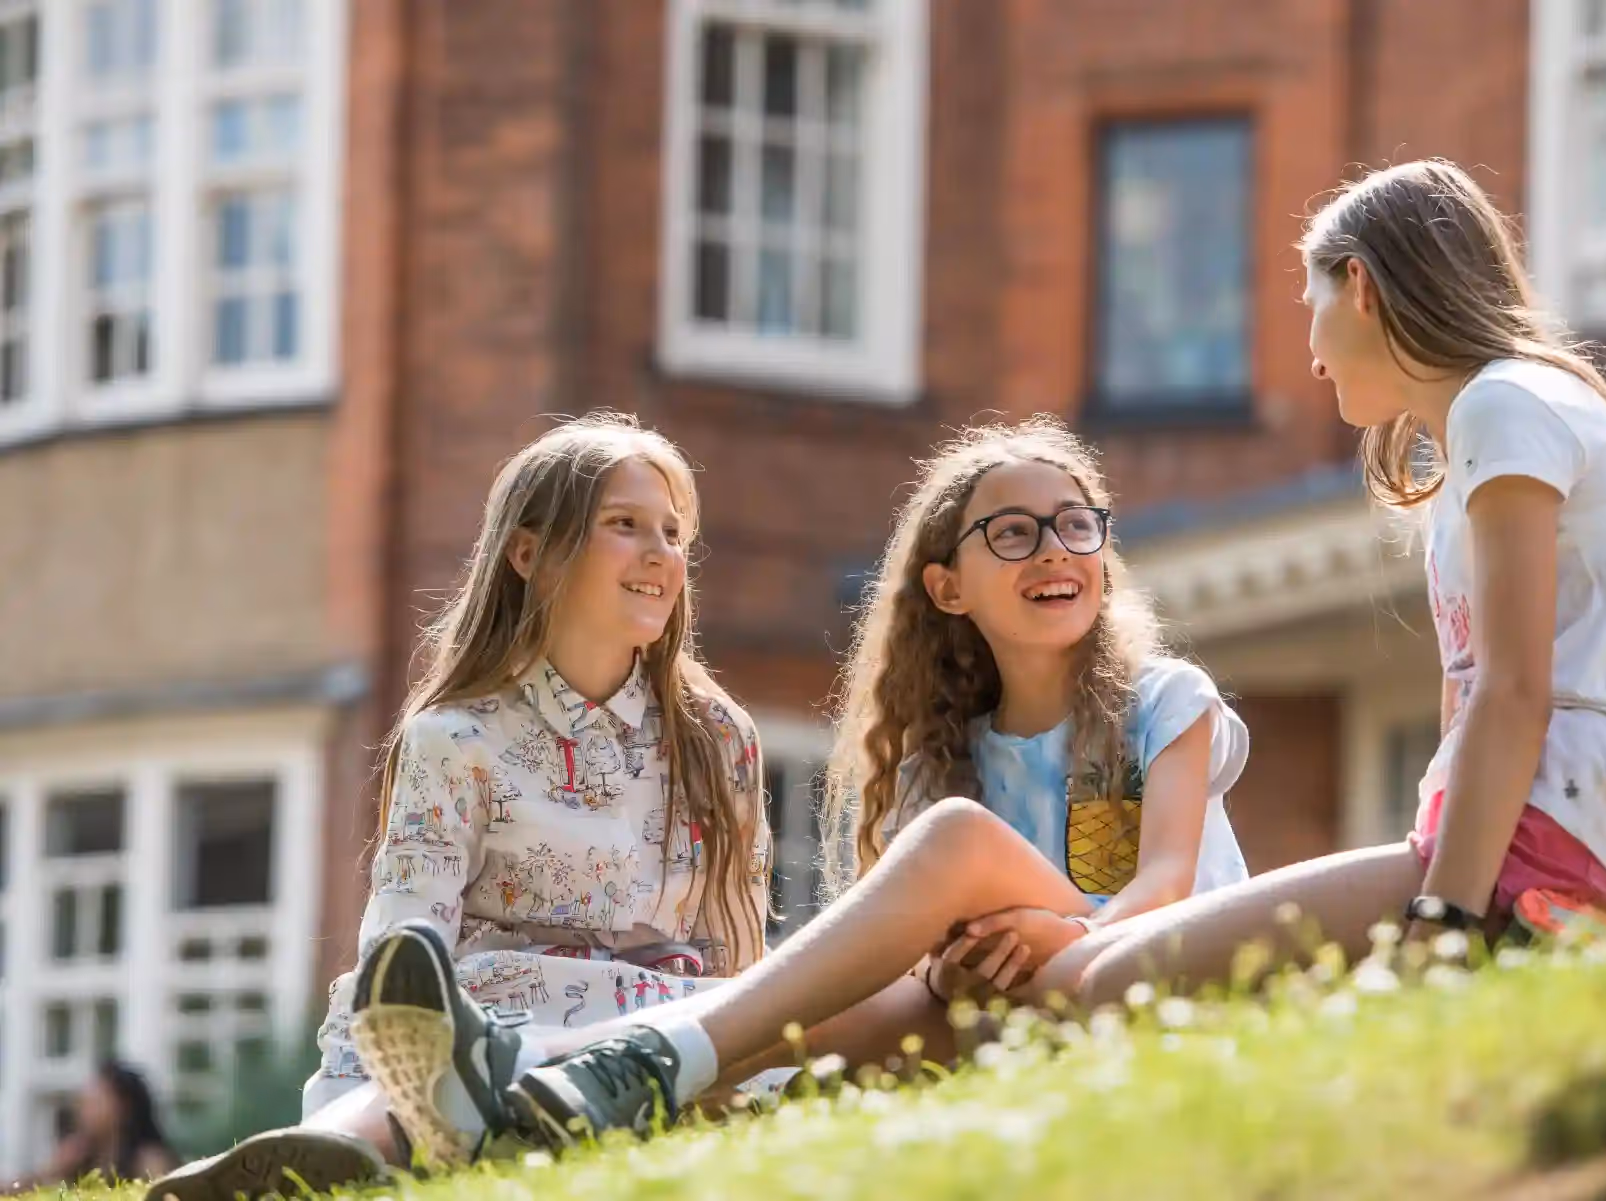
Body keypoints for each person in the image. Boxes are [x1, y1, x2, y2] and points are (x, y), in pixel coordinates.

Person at [461, 159, 1606, 1146]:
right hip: (1528, 851)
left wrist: (1441, 920)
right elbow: (1487, 693)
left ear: (1362, 285)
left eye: (1311, 302)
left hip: (1524, 862)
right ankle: (567, 1079)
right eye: (1013, 532)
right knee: (992, 980)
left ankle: (639, 1069)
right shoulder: (1509, 418)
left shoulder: (1502, 407)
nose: (1307, 342)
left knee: (1084, 977)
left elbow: (1515, 695)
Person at [334, 417, 1252, 1149]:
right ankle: (377, 1129)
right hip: (1037, 992)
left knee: (954, 847)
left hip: (1158, 956)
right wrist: (954, 963)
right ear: (947, 588)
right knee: (892, 968)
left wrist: (1058, 929)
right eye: (1013, 534)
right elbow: (926, 956)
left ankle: (568, 1068)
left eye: (1077, 524)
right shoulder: (942, 754)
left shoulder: (1162, 700)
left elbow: (1166, 887)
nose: (1054, 549)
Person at [146, 414, 771, 1200]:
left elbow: (741, 945)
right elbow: (404, 952)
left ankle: (364, 1140)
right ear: (530, 554)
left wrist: (752, 1058)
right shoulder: (455, 738)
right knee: (447, 1064)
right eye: (624, 525)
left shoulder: (720, 737)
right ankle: (325, 1147)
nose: (659, 554)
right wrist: (352, 1084)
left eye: (673, 533)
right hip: (497, 1021)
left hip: (667, 1026)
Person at [3, 1062, 176, 1193]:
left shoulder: (149, 1161)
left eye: (94, 1103)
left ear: (122, 1107)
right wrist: (50, 1171)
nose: (82, 1111)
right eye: (82, 1103)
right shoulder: (79, 1160)